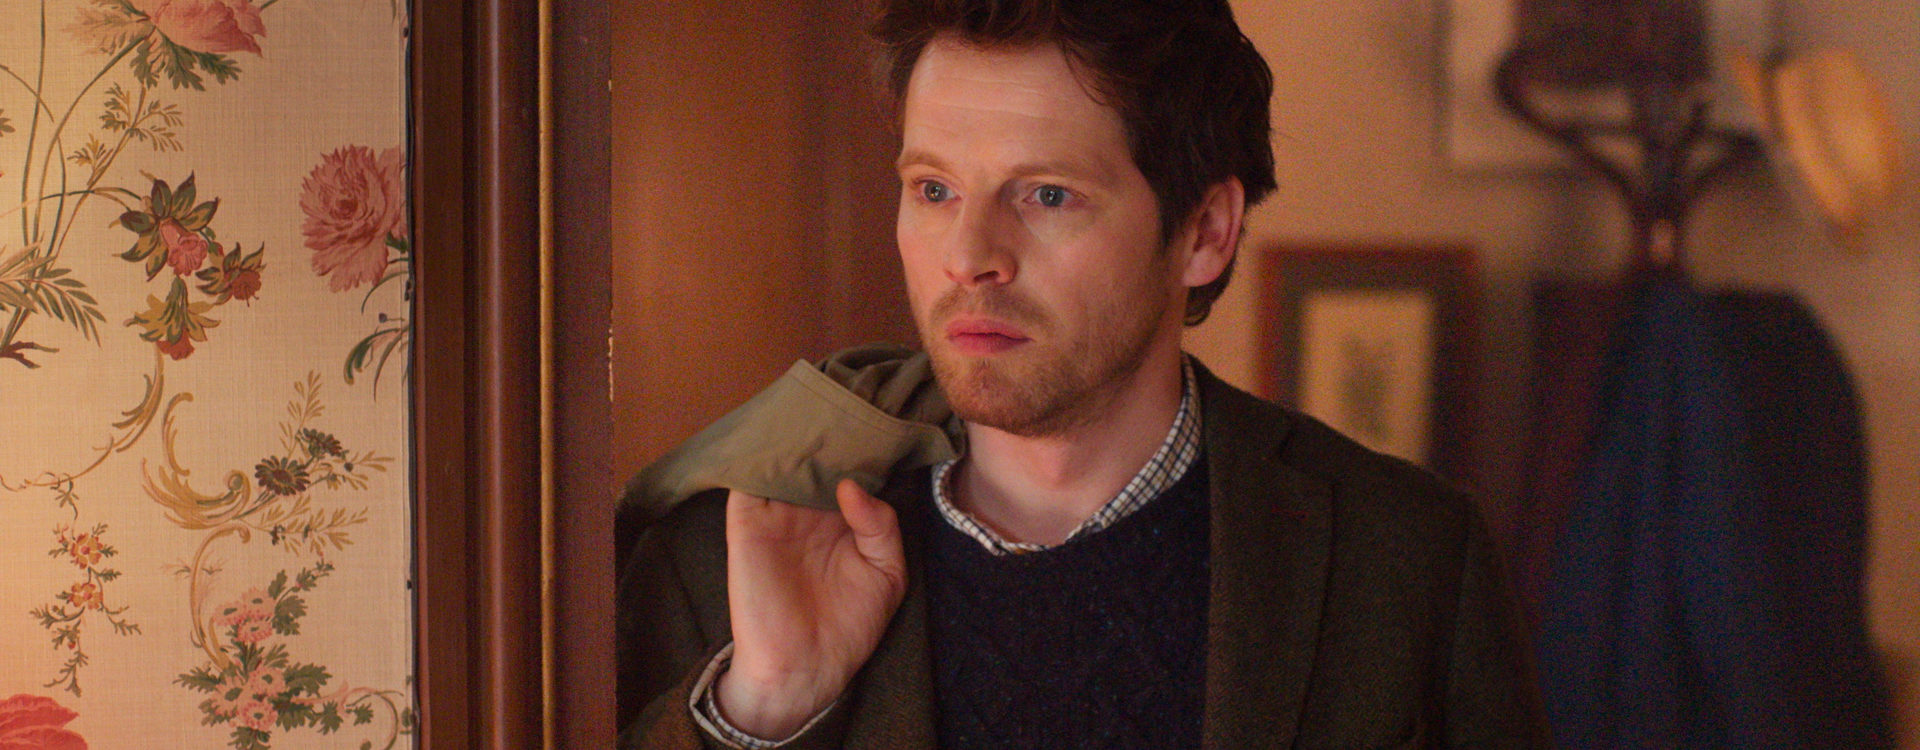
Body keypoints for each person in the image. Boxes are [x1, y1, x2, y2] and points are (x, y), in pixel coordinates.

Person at [618, 0, 1549, 746]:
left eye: (1048, 195)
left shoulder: (1408, 558)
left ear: (1205, 232)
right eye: (933, 189)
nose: (968, 256)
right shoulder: (728, 563)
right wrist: (762, 709)